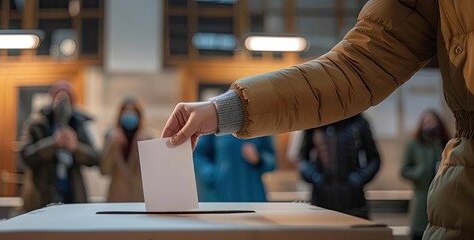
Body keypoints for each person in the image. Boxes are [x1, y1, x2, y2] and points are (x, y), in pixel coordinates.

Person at [161, 1, 472, 239]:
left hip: (352, 198)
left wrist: (356, 179)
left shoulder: (359, 125)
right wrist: (223, 111)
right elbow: (355, 68)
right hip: (325, 195)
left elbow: (370, 157)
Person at [20, 80, 99, 212]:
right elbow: (26, 155)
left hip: (72, 195)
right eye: (58, 97)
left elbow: (94, 158)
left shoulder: (79, 124)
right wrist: (53, 144)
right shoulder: (37, 123)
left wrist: (75, 147)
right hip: (41, 195)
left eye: (67, 97)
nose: (62, 101)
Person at [299, 113, 380, 219]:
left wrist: (360, 177)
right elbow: (302, 158)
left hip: (353, 201)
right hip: (322, 200)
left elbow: (374, 159)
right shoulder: (316, 122)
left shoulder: (358, 122)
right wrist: (314, 176)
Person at [401, 110, 450, 240]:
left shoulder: (446, 143)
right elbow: (404, 170)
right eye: (427, 122)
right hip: (421, 198)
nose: (430, 125)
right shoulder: (414, 144)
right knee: (419, 233)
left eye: (433, 122)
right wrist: (420, 171)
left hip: (443, 200)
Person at [100, 97, 153, 202]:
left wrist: (142, 148)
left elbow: (152, 171)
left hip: (140, 198)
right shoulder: (110, 137)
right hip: (117, 198)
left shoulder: (148, 137)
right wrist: (113, 146)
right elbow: (104, 170)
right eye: (126, 111)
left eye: (133, 112)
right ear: (120, 115)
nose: (129, 115)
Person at [193, 134, 276, 202]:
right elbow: (198, 154)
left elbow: (273, 161)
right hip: (221, 195)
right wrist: (213, 174)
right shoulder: (214, 119)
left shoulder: (260, 120)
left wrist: (258, 158)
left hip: (253, 195)